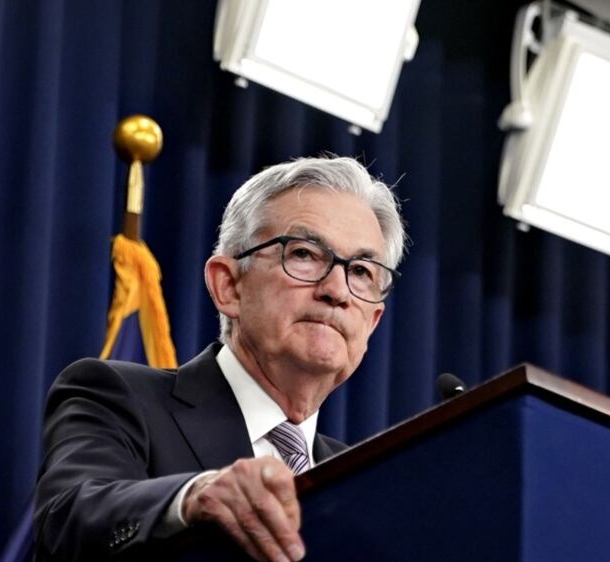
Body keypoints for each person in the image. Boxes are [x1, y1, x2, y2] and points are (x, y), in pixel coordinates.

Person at [34, 156, 406, 562]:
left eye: (361, 272)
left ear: (372, 322)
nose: (337, 290)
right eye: (303, 253)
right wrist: (192, 497)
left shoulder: (362, 480)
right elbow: (67, 519)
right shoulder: (117, 396)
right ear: (228, 285)